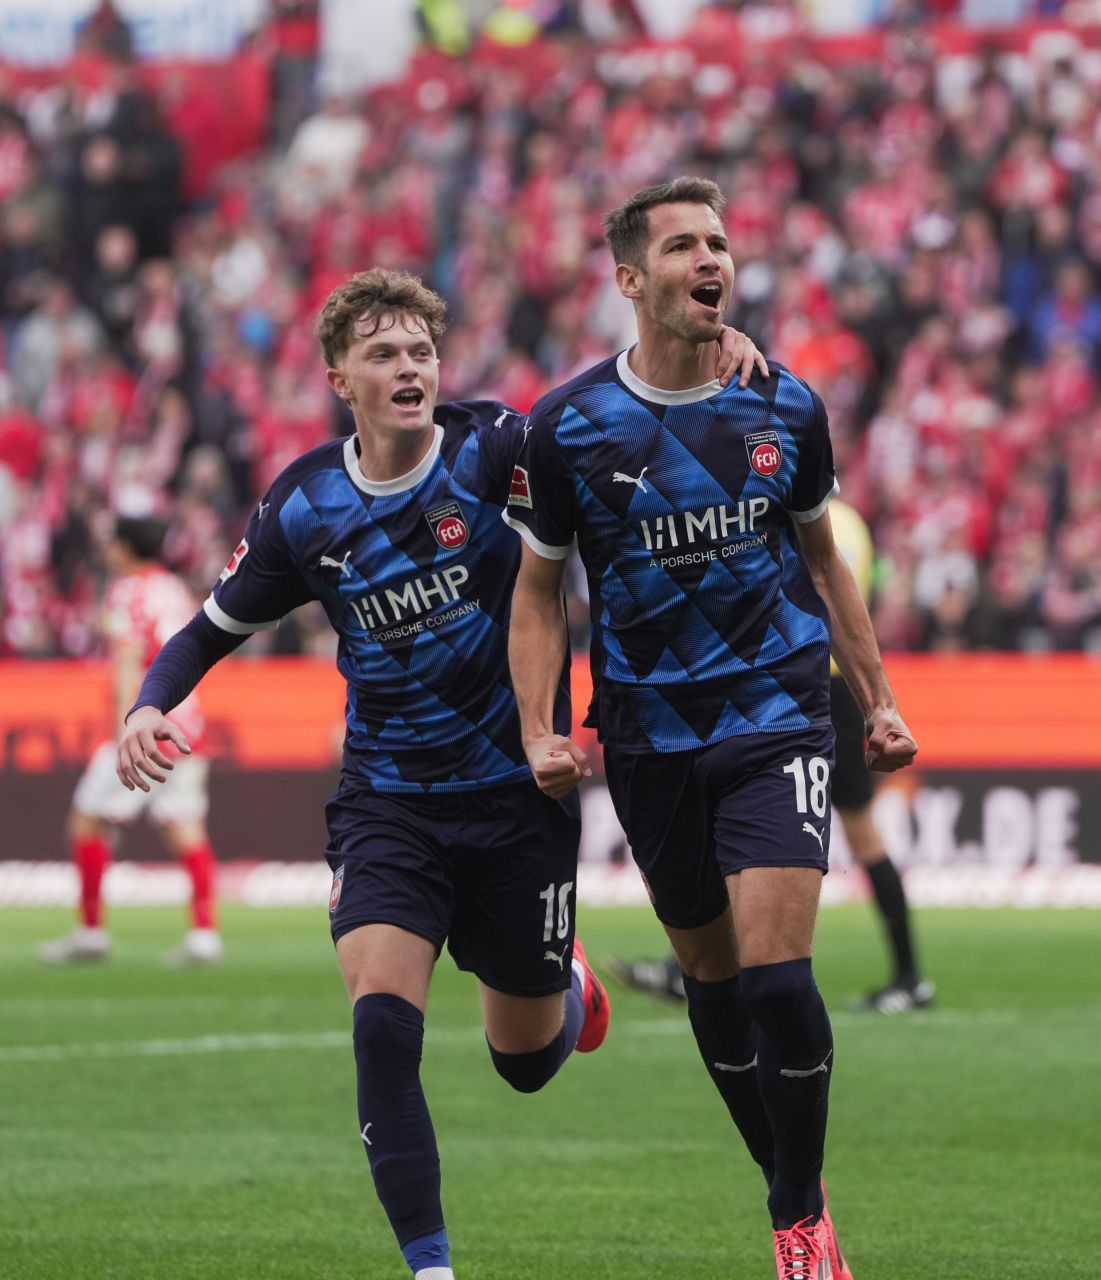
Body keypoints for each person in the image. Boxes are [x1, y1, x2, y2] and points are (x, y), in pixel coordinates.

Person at [116, 267, 760, 1280]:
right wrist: (149, 701)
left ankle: (569, 980)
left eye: (420, 348)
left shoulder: (495, 447)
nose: (410, 366)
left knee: (524, 1062)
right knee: (381, 1023)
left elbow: (609, 422)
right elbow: (211, 626)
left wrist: (704, 364)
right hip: (388, 802)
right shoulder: (305, 506)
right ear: (341, 377)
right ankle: (431, 1267)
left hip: (518, 799)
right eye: (384, 352)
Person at [506, 175, 918, 1280]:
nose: (713, 258)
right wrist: (541, 725)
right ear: (631, 279)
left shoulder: (785, 404)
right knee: (716, 983)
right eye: (685, 243)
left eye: (722, 242)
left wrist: (876, 699)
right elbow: (540, 591)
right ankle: (797, 1191)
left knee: (782, 979)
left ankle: (796, 1216)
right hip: (646, 736)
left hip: (777, 711)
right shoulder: (569, 427)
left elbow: (826, 560)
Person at [613, 496, 933, 1014]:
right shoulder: (852, 523)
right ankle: (908, 975)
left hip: (801, 684)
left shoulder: (807, 517)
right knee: (797, 829)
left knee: (758, 824)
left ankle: (908, 975)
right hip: (824, 686)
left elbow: (807, 585)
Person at [39, 513, 222, 967]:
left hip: (145, 724)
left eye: (112, 542)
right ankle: (204, 933)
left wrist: (126, 727)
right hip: (187, 724)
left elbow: (127, 659)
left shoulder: (126, 590)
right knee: (185, 827)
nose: (106, 549)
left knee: (86, 820)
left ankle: (91, 931)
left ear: (125, 547)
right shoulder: (174, 589)